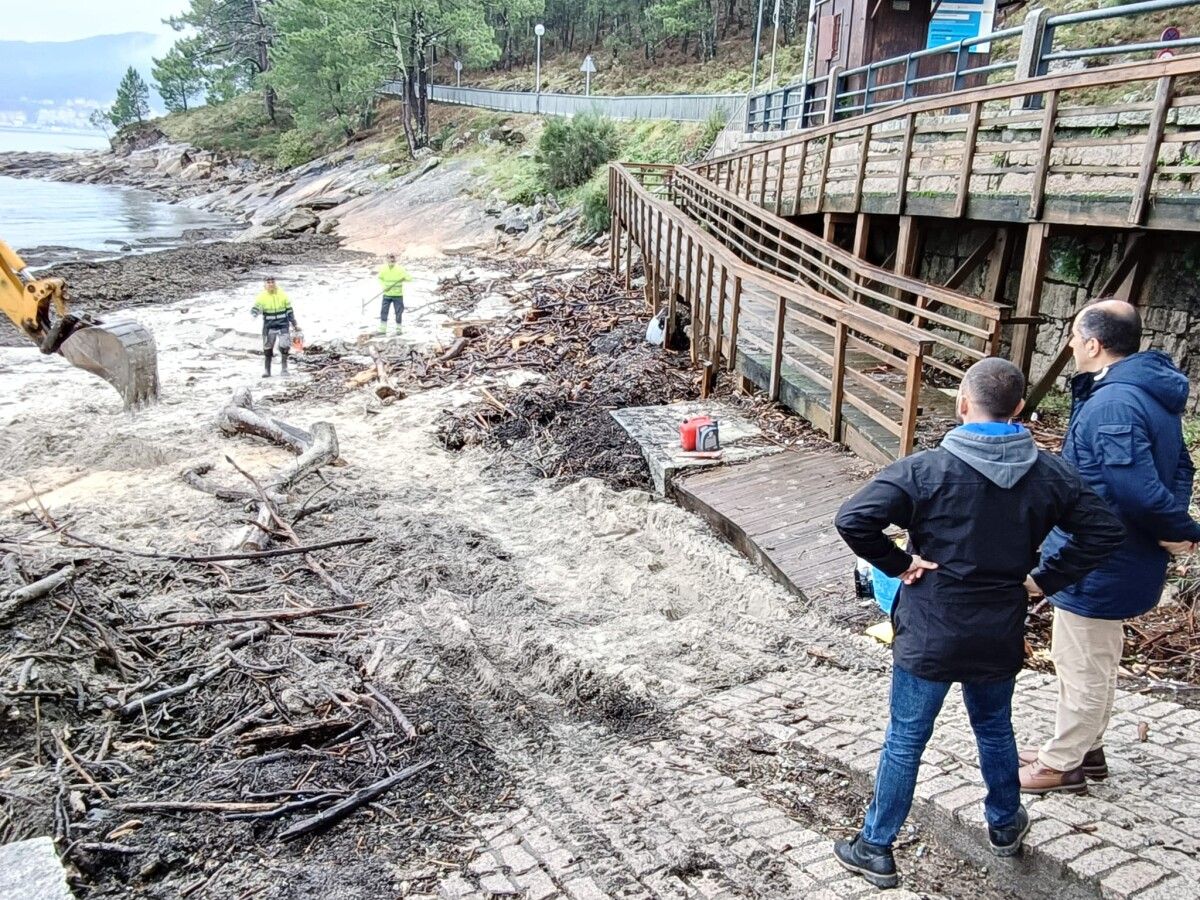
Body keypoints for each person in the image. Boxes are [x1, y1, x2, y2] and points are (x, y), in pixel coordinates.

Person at [832, 357, 1124, 889]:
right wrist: (1044, 579)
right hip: (999, 626)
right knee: (994, 730)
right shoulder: (1051, 473)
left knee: (905, 739)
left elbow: (853, 519)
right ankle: (1005, 825)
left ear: (963, 404)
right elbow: (1105, 532)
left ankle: (874, 846)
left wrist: (901, 564)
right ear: (1017, 409)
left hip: (931, 630)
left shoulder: (923, 470)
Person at [1020, 300, 1200, 794]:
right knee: (1094, 655)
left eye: (1076, 336)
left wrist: (1178, 528)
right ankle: (1085, 747)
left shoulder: (1113, 404)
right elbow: (1181, 467)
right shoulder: (1141, 393)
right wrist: (1171, 526)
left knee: (1081, 661)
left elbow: (1133, 488)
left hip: (1099, 557)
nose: (1072, 344)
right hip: (1120, 552)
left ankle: (1063, 763)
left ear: (1094, 344)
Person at [251, 277, 297, 378]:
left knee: (285, 347)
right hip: (269, 326)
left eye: (273, 282)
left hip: (283, 324)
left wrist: (294, 322)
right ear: (265, 284)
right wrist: (254, 312)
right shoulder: (261, 296)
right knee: (267, 349)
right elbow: (256, 308)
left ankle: (284, 369)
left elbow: (289, 310)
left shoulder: (283, 294)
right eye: (268, 282)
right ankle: (267, 370)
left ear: (275, 283)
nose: (271, 284)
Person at [378, 253, 411, 335]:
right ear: (387, 260)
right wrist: (383, 287)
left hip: (398, 295)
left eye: (393, 260)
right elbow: (380, 279)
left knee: (398, 312)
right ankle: (383, 329)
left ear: (395, 260)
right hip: (387, 294)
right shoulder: (384, 269)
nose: (391, 261)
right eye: (389, 259)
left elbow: (410, 278)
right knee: (384, 311)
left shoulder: (400, 269)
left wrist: (404, 278)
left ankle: (399, 329)